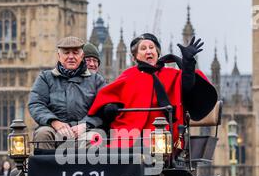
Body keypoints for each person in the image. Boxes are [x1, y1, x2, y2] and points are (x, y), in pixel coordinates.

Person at [88, 33, 217, 148]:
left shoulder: (171, 75)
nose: (148, 51)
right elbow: (110, 97)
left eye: (152, 48)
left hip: (161, 137)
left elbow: (188, 86)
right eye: (143, 49)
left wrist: (188, 63)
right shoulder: (128, 76)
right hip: (127, 135)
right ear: (135, 57)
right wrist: (110, 106)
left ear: (157, 53)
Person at [28, 36, 106, 149]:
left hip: (85, 132)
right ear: (59, 56)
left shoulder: (96, 80)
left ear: (82, 56)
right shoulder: (45, 77)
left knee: (94, 138)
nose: (71, 57)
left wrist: (85, 125)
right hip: (54, 130)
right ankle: (46, 167)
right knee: (42, 134)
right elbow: (36, 104)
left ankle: (85, 168)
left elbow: (103, 108)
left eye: (75, 53)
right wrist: (54, 122)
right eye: (66, 53)